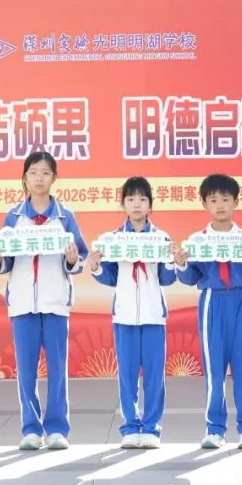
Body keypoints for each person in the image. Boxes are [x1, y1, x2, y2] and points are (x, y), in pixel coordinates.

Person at [0, 151, 88, 450]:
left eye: (45, 173)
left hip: (55, 301)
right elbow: (5, 260)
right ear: (25, 178)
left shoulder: (65, 217)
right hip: (22, 303)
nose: (39, 178)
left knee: (58, 369)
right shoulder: (13, 216)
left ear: (54, 178)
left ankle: (57, 429)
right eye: (33, 172)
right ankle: (31, 429)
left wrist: (72, 260)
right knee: (26, 370)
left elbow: (80, 258)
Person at [173, 174, 242, 450]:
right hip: (212, 301)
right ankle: (215, 430)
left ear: (236, 203)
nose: (220, 205)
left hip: (240, 301)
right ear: (204, 204)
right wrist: (181, 264)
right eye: (213, 200)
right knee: (214, 370)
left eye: (225, 199)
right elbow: (190, 278)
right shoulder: (197, 241)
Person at [86, 176, 176, 449]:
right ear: (123, 204)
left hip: (153, 315)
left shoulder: (162, 239)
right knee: (127, 374)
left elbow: (167, 278)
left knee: (154, 375)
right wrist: (96, 267)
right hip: (124, 315)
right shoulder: (113, 240)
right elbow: (111, 277)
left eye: (142, 199)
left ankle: (151, 428)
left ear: (150, 205)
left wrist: (173, 260)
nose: (137, 204)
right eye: (131, 199)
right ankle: (130, 427)